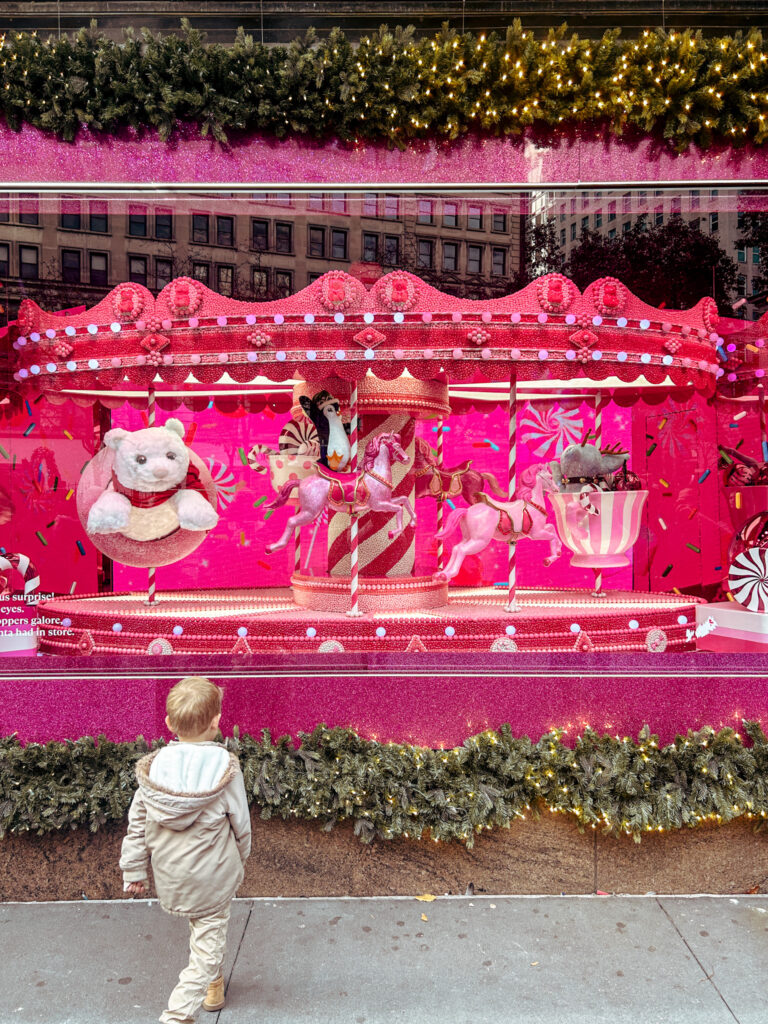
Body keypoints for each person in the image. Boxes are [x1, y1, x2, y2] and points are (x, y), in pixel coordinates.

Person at [120, 676, 251, 1023]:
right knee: (206, 946)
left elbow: (137, 824)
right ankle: (177, 1015)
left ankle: (214, 986)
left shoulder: (154, 770)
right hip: (213, 873)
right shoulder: (225, 768)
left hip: (171, 875)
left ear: (168, 724)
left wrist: (133, 870)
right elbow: (241, 823)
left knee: (205, 927)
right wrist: (241, 858)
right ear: (216, 722)